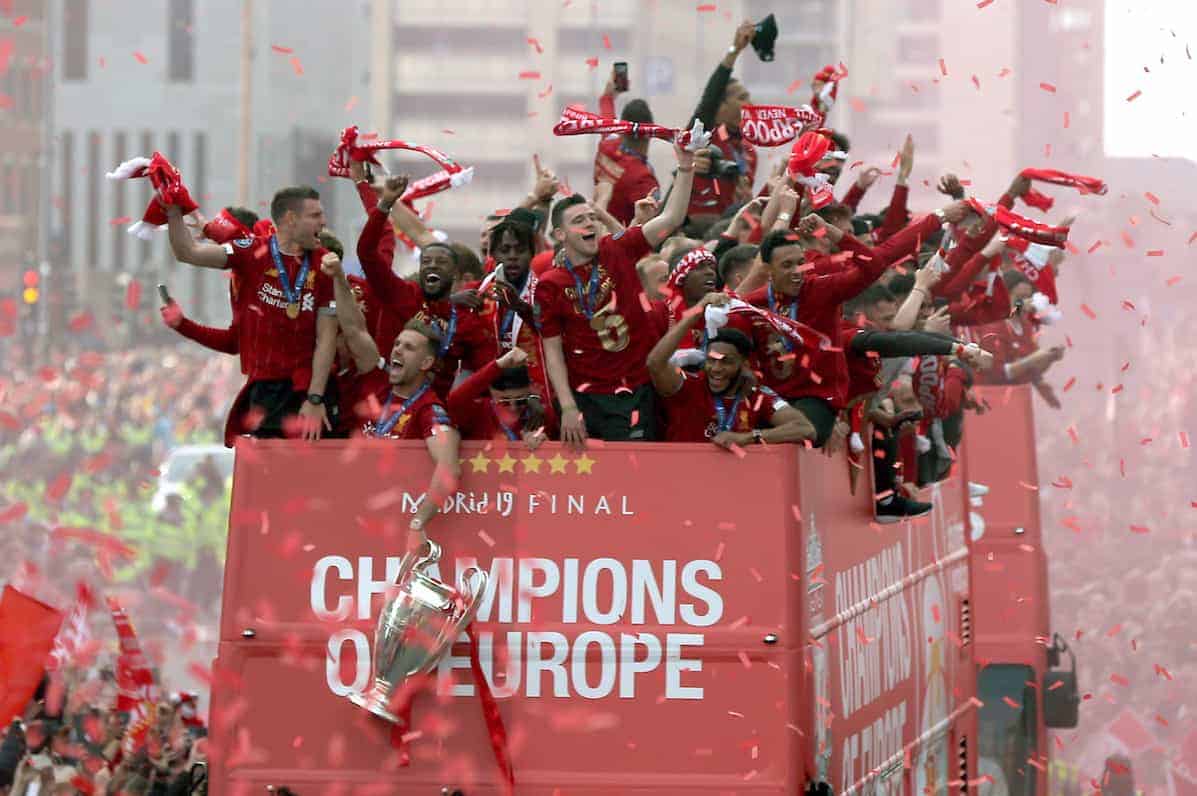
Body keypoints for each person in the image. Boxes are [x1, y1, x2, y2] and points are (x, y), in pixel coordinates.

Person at [535, 131, 703, 447]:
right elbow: (552, 350)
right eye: (578, 221)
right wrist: (568, 405)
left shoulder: (618, 248)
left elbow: (672, 217)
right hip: (585, 400)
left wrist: (686, 165)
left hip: (635, 391)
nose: (588, 224)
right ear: (559, 234)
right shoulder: (550, 284)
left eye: (591, 218)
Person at [164, 186, 338, 442]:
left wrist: (315, 398)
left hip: (312, 390)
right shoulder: (250, 252)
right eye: (315, 215)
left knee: (313, 476)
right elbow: (188, 252)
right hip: (266, 392)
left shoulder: (324, 263)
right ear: (290, 218)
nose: (323, 221)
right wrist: (172, 210)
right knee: (271, 476)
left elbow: (327, 339)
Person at [320, 251, 460, 547]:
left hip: (386, 530)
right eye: (397, 344)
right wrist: (339, 280)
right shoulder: (376, 378)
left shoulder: (429, 409)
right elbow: (355, 328)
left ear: (425, 363)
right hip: (345, 515)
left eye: (408, 348)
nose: (396, 351)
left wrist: (419, 522)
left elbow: (448, 467)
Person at [357, 175, 498, 399]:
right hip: (384, 405)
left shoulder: (465, 321)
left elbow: (487, 368)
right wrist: (384, 205)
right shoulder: (400, 294)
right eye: (426, 262)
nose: (432, 266)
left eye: (441, 263)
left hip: (434, 412)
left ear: (455, 274)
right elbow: (367, 252)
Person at [647, 292, 814, 446]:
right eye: (712, 360)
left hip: (732, 478)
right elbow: (654, 363)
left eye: (726, 362)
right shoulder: (689, 386)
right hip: (682, 474)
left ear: (744, 364)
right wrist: (696, 313)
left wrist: (748, 437)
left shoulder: (757, 396)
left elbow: (806, 430)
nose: (716, 369)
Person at [687, 19, 759, 228]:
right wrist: (734, 51)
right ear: (720, 108)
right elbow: (710, 98)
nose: (750, 104)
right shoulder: (701, 136)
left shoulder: (749, 151)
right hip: (692, 236)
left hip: (731, 235)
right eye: (742, 98)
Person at [593, 66, 661, 227]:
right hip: (622, 244)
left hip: (596, 231)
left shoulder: (607, 144)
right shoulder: (643, 179)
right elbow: (652, 225)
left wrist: (609, 95)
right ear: (650, 131)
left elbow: (606, 114)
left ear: (622, 129)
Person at [447, 347, 547, 449]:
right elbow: (454, 400)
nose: (513, 408)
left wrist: (543, 442)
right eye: (505, 402)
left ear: (528, 390)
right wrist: (497, 365)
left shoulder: (538, 413)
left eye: (521, 401)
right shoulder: (477, 413)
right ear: (491, 391)